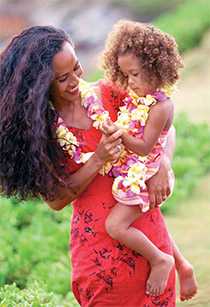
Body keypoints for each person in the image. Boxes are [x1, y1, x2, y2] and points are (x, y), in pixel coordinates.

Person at [0, 25, 193, 306]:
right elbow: (55, 200)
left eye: (77, 69)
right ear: (40, 85)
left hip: (145, 234)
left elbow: (165, 128)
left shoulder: (113, 94)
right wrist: (98, 159)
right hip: (99, 253)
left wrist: (162, 161)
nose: (76, 81)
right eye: (62, 78)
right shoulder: (39, 132)